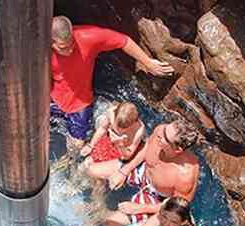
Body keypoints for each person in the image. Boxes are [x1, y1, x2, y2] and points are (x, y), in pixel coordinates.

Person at [49, 16, 174, 148]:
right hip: (52, 98)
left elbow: (123, 41)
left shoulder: (87, 37)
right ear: (50, 42)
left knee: (77, 144)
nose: (69, 51)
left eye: (71, 45)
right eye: (63, 48)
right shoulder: (40, 51)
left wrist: (147, 62)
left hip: (80, 103)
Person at [103, 119, 200, 226]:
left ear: (177, 149)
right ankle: (98, 205)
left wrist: (140, 208)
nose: (160, 135)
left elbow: (175, 206)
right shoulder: (161, 130)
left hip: (157, 196)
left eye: (165, 137)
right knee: (92, 171)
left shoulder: (185, 175)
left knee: (109, 224)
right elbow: (147, 147)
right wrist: (124, 171)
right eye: (164, 129)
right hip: (144, 170)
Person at [79, 101, 145, 181]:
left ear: (133, 123)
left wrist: (120, 144)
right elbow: (102, 129)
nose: (120, 130)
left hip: (122, 152)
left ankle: (97, 192)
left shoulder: (139, 130)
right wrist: (91, 145)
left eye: (124, 129)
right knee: (85, 164)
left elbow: (128, 155)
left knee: (99, 181)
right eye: (117, 126)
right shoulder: (111, 113)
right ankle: (72, 186)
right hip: (108, 142)